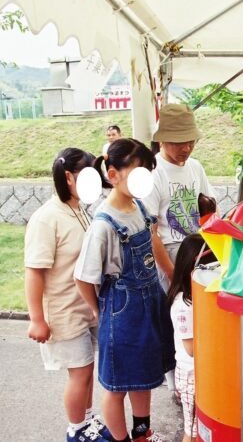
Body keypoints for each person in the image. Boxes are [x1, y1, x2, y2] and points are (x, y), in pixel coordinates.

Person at [75, 138, 175, 442]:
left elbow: (153, 236)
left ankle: (143, 434)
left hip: (150, 301)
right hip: (122, 308)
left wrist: (171, 274)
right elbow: (83, 278)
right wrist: (99, 310)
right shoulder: (103, 224)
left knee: (142, 378)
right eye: (137, 171)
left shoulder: (138, 205)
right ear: (113, 173)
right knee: (118, 385)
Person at [24, 148, 112, 442]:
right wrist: (37, 319)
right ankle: (76, 429)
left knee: (87, 370)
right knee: (81, 372)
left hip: (86, 306)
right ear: (68, 178)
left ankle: (86, 422)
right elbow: (34, 271)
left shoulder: (78, 210)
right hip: (63, 311)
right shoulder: (46, 218)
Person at [143, 104, 215, 290]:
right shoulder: (154, 172)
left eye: (191, 141)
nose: (187, 148)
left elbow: (212, 211)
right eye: (179, 142)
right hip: (170, 255)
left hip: (199, 250)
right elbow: (151, 233)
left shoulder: (195, 167)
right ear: (162, 140)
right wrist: (171, 273)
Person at [167, 234, 217, 442]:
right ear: (192, 271)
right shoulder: (183, 305)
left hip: (201, 373)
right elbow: (191, 348)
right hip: (190, 375)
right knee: (193, 430)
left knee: (202, 427)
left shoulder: (198, 297)